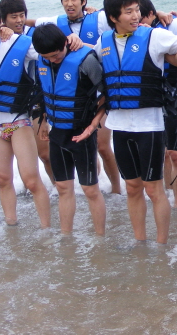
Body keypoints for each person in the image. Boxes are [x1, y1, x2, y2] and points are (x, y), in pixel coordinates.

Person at [96, 0, 177, 244]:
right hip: (120, 126)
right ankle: (140, 242)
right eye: (128, 12)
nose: (136, 16)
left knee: (154, 189)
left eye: (137, 10)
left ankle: (162, 244)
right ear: (113, 17)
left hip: (150, 126)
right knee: (132, 187)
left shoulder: (155, 36)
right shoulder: (103, 42)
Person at [33, 0, 121, 194]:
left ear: (84, 1)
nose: (69, 3)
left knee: (102, 146)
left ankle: (116, 189)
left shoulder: (99, 18)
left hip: (96, 94)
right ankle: (92, 186)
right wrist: (4, 27)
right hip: (69, 99)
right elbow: (27, 23)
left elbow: (121, 23)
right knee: (84, 155)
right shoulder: (55, 25)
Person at [0, 0, 51, 228]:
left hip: (20, 120)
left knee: (31, 180)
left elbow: (53, 52)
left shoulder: (22, 44)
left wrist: (74, 41)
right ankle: (11, 226)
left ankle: (47, 230)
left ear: (0, 22)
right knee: (3, 179)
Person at [32, 24, 106, 235]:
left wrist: (93, 126)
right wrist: (43, 121)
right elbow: (44, 92)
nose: (53, 60)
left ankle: (100, 238)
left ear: (66, 43)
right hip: (57, 134)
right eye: (48, 57)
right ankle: (66, 237)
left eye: (57, 55)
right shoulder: (41, 61)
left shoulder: (86, 60)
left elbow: (106, 94)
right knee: (63, 188)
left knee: (90, 189)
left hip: (82, 133)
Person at [138, 0, 177, 208]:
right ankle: (168, 196)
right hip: (152, 99)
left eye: (140, 18)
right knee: (162, 153)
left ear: (151, 14)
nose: (137, 23)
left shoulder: (175, 25)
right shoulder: (133, 35)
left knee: (176, 154)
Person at [0, 0, 54, 184]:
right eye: (13, 16)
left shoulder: (34, 36)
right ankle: (29, 187)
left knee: (45, 153)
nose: (19, 20)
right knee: (23, 153)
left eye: (22, 15)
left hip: (38, 99)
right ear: (3, 20)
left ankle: (59, 188)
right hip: (13, 103)